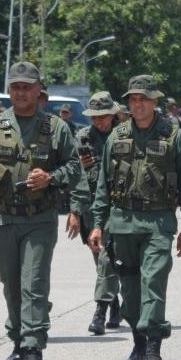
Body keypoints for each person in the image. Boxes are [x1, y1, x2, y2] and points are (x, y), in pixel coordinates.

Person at [0, 62, 81, 360]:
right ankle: (18, 338)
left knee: (34, 284)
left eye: (26, 86)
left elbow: (75, 167)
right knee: (11, 285)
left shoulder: (55, 127)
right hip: (3, 219)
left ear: (38, 89)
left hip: (40, 218)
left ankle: (33, 347)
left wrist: (52, 177)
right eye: (15, 86)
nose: (20, 92)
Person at [89, 74, 181, 360]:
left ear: (154, 101)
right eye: (133, 99)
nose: (138, 104)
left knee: (153, 282)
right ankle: (138, 342)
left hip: (158, 223)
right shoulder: (117, 136)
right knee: (130, 290)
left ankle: (154, 348)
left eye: (144, 99)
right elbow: (103, 183)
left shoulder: (173, 135)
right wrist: (98, 223)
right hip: (122, 222)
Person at [69, 92, 123, 334]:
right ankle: (114, 305)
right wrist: (75, 211)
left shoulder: (125, 135)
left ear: (113, 114)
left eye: (103, 116)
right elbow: (76, 176)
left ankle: (99, 312)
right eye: (94, 117)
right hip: (91, 209)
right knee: (101, 261)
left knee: (106, 260)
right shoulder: (82, 138)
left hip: (118, 208)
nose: (98, 121)